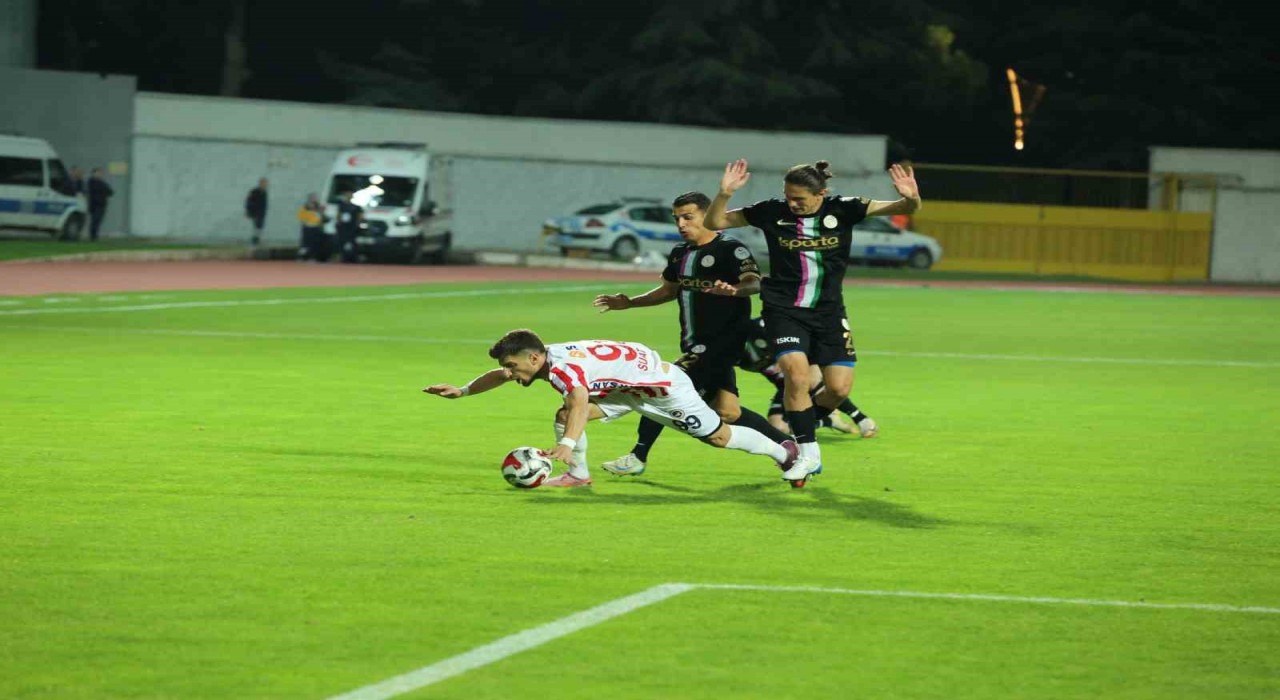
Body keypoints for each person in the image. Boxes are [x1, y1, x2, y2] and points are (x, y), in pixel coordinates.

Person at [703, 159, 920, 473]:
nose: (793, 204)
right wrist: (724, 194)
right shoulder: (770, 211)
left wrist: (910, 197)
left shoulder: (844, 209)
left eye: (800, 199)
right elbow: (715, 222)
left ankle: (806, 427)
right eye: (788, 196)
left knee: (839, 389)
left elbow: (908, 208)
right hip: (783, 309)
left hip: (829, 311)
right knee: (798, 376)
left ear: (822, 194)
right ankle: (808, 454)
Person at [423, 329, 816, 488]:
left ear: (533, 357)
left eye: (513, 365)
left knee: (718, 436)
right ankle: (578, 476)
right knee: (563, 416)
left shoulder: (563, 368)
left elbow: (578, 402)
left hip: (662, 390)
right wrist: (462, 390)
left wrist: (568, 441)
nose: (510, 372)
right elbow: (500, 376)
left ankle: (785, 452)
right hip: (625, 387)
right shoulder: (541, 360)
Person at [591, 192, 800, 482]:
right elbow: (667, 290)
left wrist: (735, 290)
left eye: (688, 216)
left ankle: (637, 456)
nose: (681, 223)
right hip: (695, 342)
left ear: (707, 215)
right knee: (728, 412)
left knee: (662, 386)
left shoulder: (730, 249)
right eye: (676, 217)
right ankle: (792, 451)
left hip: (722, 342)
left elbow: (753, 283)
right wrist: (629, 302)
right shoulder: (680, 252)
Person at [736, 317, 878, 437]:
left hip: (804, 370)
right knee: (779, 429)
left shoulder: (764, 327)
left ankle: (861, 418)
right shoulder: (736, 353)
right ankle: (827, 421)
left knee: (811, 380)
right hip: (787, 389)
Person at [334, 190, 364, 264]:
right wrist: (338, 222)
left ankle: (354, 258)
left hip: (352, 227)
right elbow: (339, 215)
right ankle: (342, 257)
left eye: (350, 195)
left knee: (352, 242)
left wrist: (357, 224)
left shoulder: (356, 207)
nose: (348, 196)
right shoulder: (341, 205)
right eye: (347, 195)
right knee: (341, 241)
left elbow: (360, 216)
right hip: (343, 226)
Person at [296, 193, 327, 262]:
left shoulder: (318, 207)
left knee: (314, 243)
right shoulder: (305, 207)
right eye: (313, 198)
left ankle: (312, 257)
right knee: (305, 243)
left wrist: (322, 211)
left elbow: (321, 216)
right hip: (307, 227)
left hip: (315, 227)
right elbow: (301, 216)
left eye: (315, 198)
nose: (314, 199)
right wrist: (304, 222)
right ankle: (302, 257)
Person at [86, 167, 113, 241]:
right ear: (93, 173)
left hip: (102, 204)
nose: (99, 175)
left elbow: (110, 191)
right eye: (97, 173)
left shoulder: (102, 183)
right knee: (94, 220)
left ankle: (95, 235)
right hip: (94, 204)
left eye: (100, 173)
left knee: (98, 221)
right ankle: (93, 236)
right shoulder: (91, 182)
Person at [244, 178, 269, 247]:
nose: (265, 185)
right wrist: (248, 211)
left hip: (262, 213)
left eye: (266, 184)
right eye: (264, 183)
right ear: (260, 183)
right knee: (257, 227)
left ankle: (257, 240)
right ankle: (254, 242)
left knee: (259, 227)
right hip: (255, 212)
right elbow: (249, 201)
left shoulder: (264, 192)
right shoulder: (255, 191)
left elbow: (265, 204)